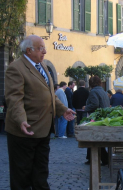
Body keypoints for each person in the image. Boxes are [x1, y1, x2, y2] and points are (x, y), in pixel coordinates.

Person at [4, 35, 75, 189]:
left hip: (43, 130)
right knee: (21, 176)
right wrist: (21, 119)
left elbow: (49, 94)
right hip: (24, 131)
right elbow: (15, 99)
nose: (45, 51)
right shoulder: (16, 68)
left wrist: (63, 109)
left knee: (41, 173)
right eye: (41, 48)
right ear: (29, 50)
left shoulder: (41, 66)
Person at [82, 76, 110, 166]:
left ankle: (104, 159)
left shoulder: (94, 91)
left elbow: (95, 104)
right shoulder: (103, 91)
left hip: (97, 117)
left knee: (94, 138)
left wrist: (86, 107)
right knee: (95, 138)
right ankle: (90, 158)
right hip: (103, 117)